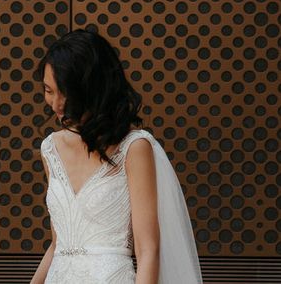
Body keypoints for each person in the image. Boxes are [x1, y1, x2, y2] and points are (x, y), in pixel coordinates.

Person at [30, 29, 202, 284]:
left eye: (65, 93)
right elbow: (58, 244)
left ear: (91, 89)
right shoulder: (50, 149)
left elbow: (148, 250)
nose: (56, 104)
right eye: (48, 91)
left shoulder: (134, 147)